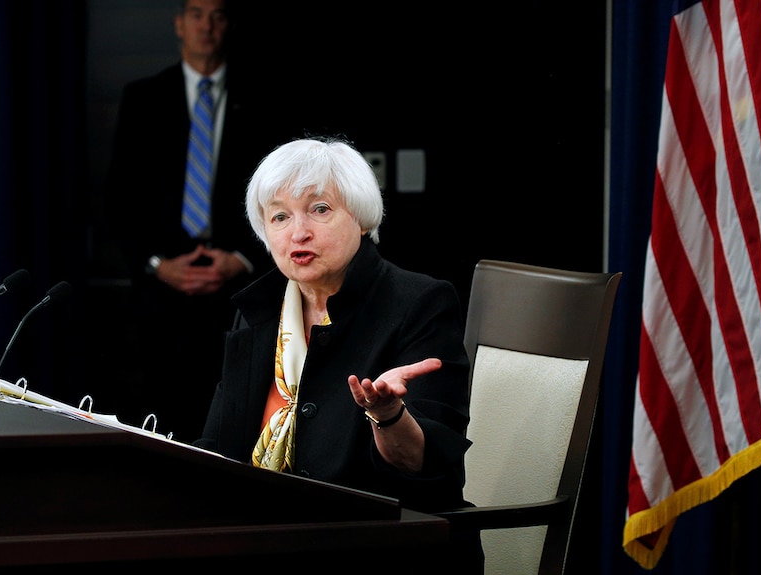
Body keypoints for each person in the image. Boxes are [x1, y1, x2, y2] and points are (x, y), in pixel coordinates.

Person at [194, 137, 484, 572]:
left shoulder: (420, 302)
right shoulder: (259, 314)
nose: (298, 232)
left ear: (362, 219)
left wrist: (388, 415)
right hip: (264, 541)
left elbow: (430, 469)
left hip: (379, 549)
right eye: (279, 216)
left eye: (320, 209)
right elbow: (218, 450)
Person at [103, 0, 273, 442]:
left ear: (229, 24)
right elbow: (119, 200)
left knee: (231, 416)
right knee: (161, 413)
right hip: (161, 291)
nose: (207, 25)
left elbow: (282, 194)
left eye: (217, 15)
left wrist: (242, 258)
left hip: (237, 291)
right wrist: (158, 264)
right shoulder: (143, 96)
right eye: (196, 14)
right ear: (179, 24)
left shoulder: (263, 96)